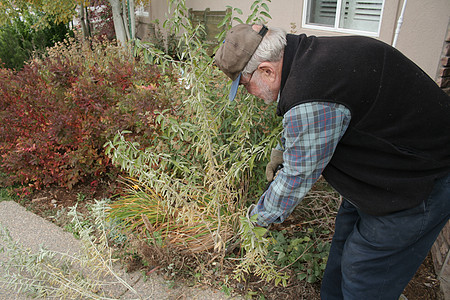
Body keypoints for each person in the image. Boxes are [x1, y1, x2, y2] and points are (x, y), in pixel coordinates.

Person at [214, 23, 450, 299]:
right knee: (341, 251)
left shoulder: (311, 90)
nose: (249, 94)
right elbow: (315, 115)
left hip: (417, 183)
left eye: (245, 85)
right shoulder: (305, 55)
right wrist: (283, 149)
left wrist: (256, 221)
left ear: (266, 70)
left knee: (365, 273)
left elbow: (297, 175)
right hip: (380, 171)